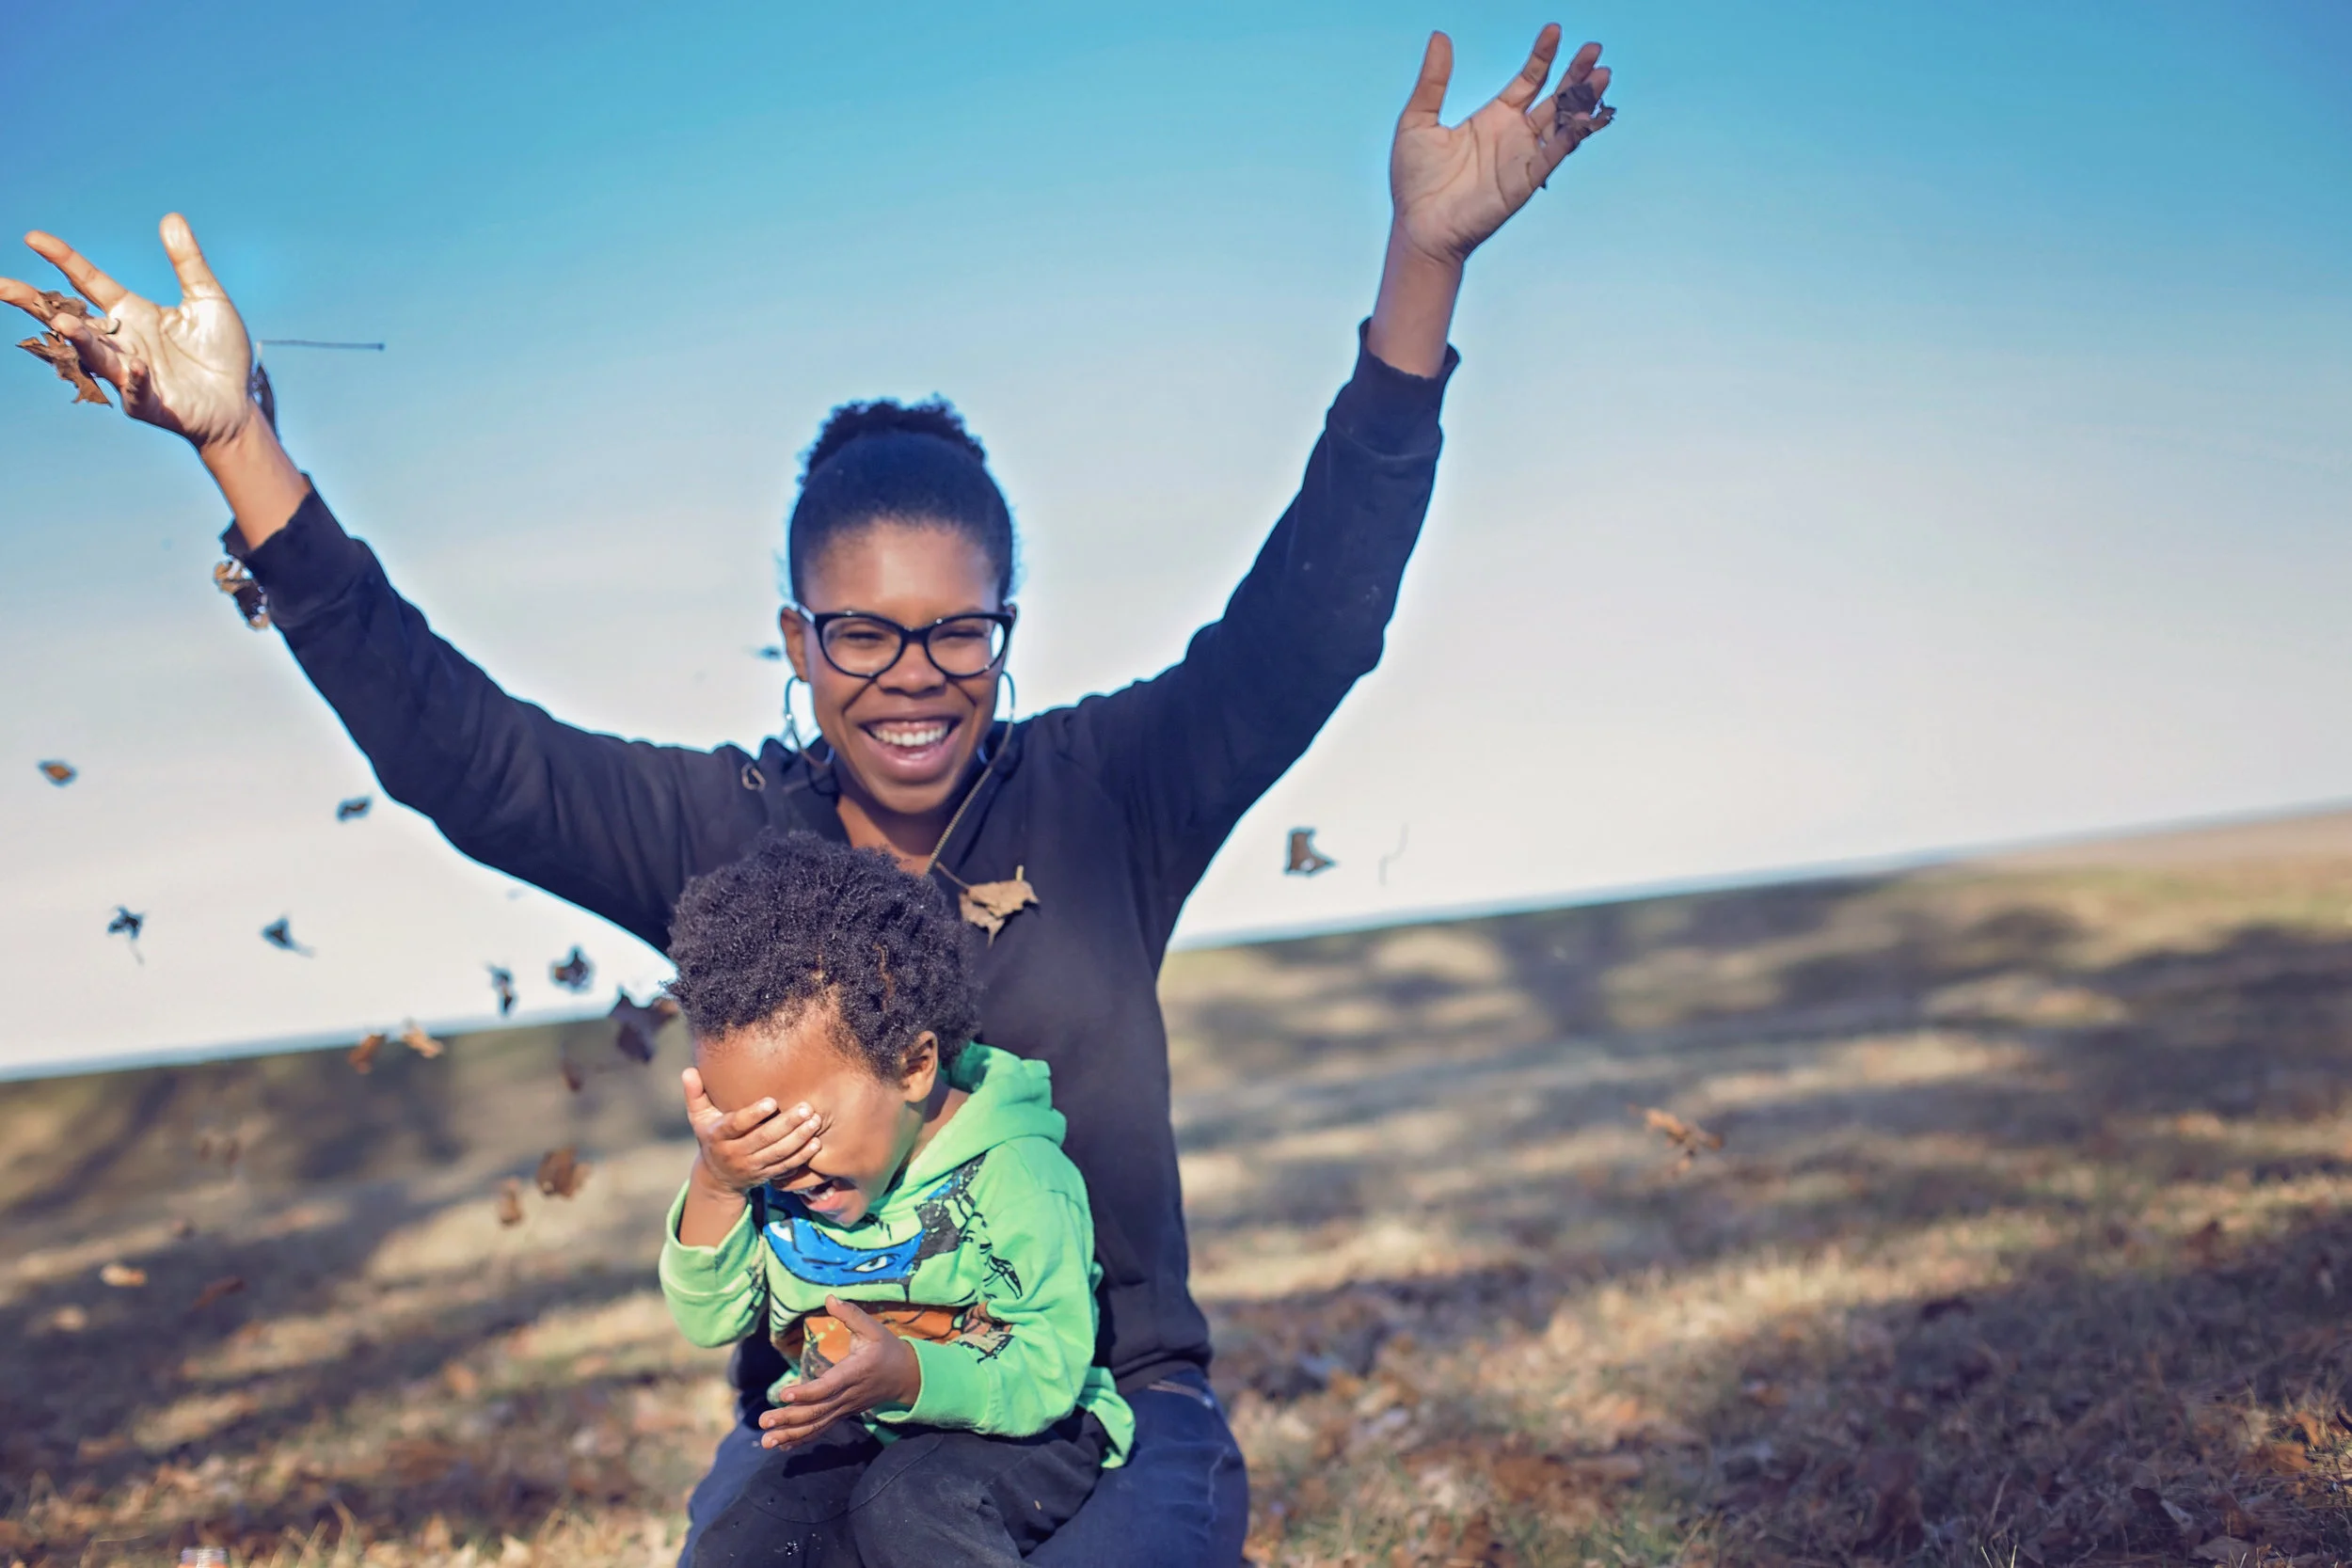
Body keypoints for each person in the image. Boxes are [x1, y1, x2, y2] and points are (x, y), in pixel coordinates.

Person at [0, 25, 1613, 1565]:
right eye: (861, 630)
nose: (914, 673)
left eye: (958, 629)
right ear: (795, 637)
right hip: (827, 1428)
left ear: (1006, 626)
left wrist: (1423, 262)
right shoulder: (727, 843)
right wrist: (239, 443)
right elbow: (462, 757)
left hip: (1098, 1407)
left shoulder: (1109, 792)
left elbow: (1310, 627)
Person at [662, 830, 1129, 1567]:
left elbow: (1050, 1368)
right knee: (748, 1535)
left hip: (1025, 1422)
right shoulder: (767, 1177)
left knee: (910, 1509)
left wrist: (913, 1373)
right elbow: (709, 1318)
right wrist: (718, 1181)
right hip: (859, 1421)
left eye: (802, 1128)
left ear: (913, 1066)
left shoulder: (1018, 1173)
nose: (781, 1162)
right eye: (749, 1131)